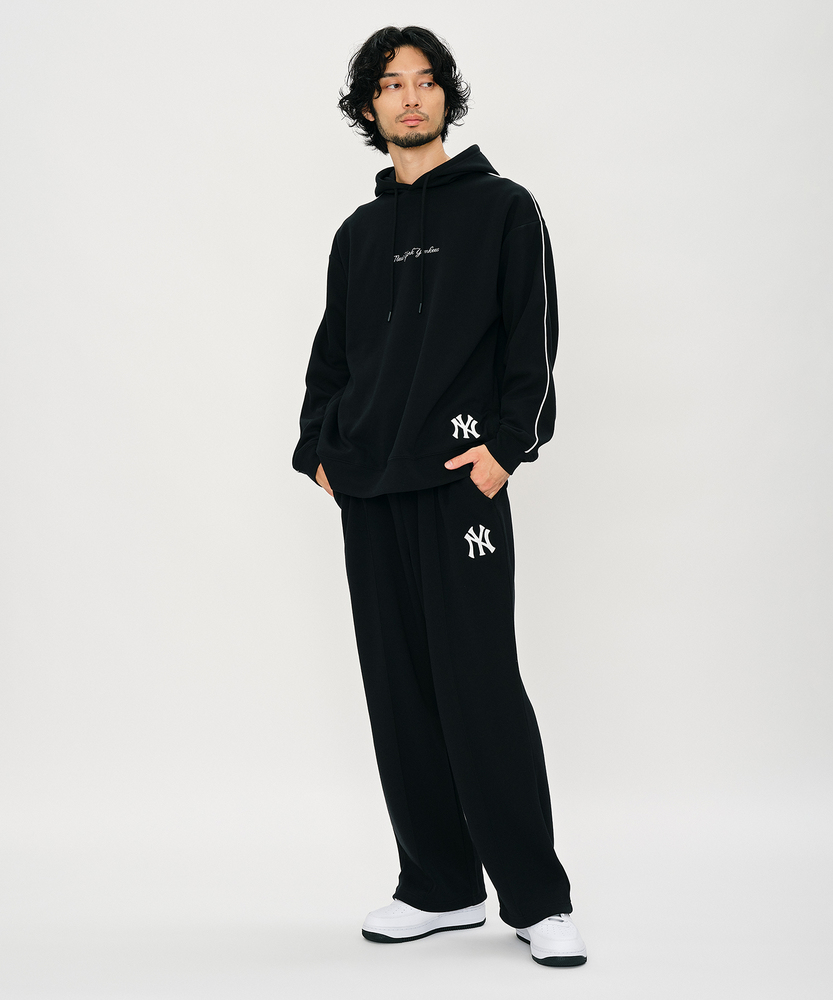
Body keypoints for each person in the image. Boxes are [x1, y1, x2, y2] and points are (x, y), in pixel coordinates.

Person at [291, 25, 587, 968]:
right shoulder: (357, 233)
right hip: (370, 489)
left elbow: (531, 340)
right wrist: (317, 450)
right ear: (368, 106)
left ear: (446, 97)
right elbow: (332, 358)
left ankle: (536, 898)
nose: (409, 97)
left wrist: (507, 449)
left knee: (478, 688)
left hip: (462, 483)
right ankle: (438, 886)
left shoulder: (504, 208)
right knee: (398, 692)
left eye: (424, 82)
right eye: (390, 85)